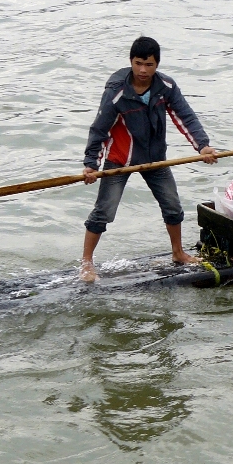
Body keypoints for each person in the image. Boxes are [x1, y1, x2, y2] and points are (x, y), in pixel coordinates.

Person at [79, 36, 217, 282]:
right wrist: (91, 164)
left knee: (173, 206)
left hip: (154, 159)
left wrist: (203, 146)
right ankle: (87, 264)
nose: (143, 70)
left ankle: (178, 252)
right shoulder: (116, 92)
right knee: (104, 211)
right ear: (131, 61)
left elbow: (185, 116)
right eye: (138, 63)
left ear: (157, 65)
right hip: (120, 160)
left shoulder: (166, 87)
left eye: (149, 65)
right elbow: (99, 129)